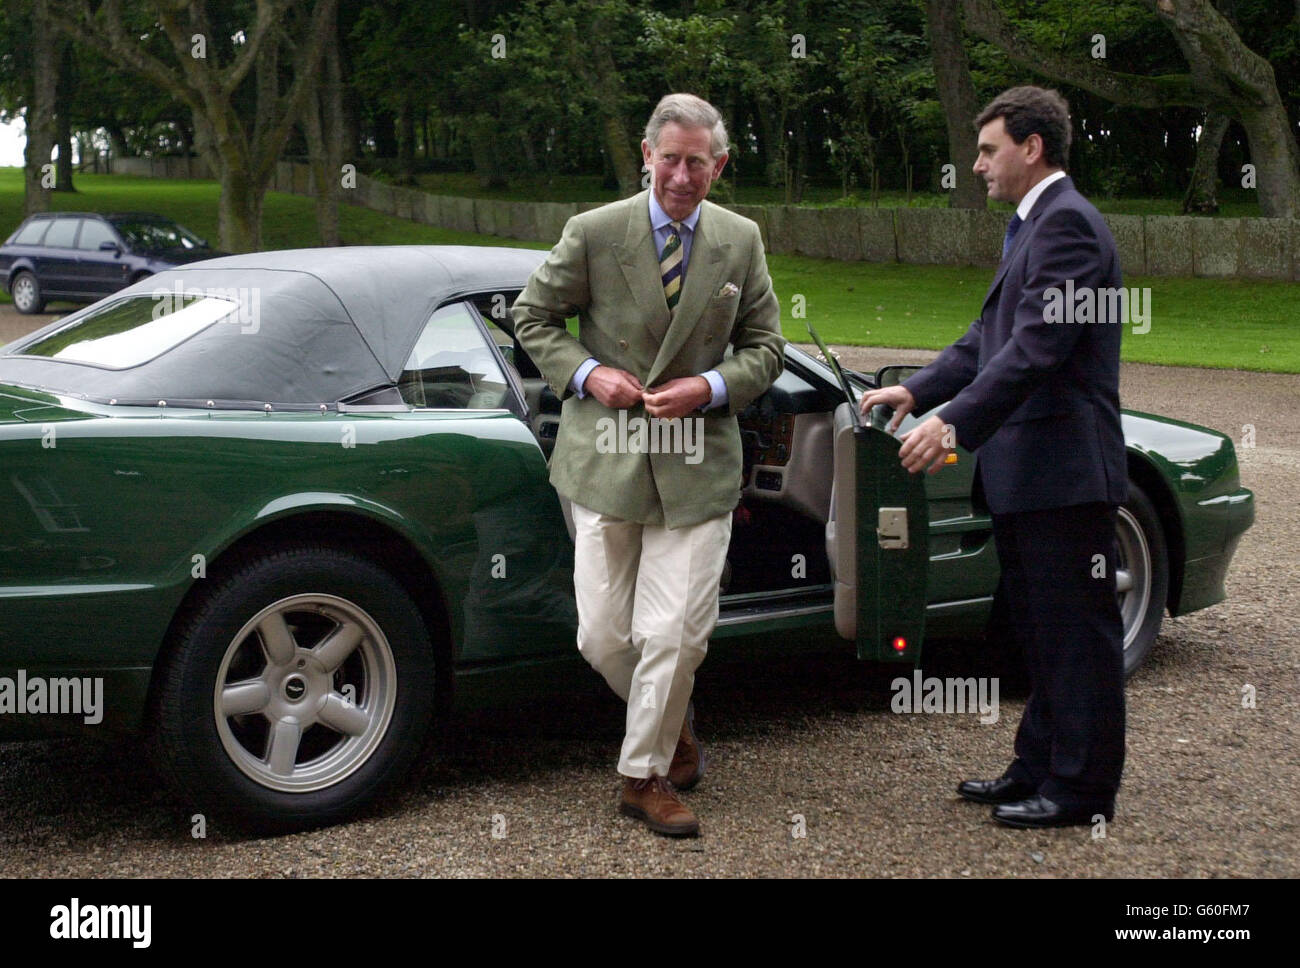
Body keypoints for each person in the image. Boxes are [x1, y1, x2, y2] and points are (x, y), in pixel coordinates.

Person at [513, 93, 784, 837]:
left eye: (699, 162)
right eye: (670, 159)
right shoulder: (596, 232)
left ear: (719, 165)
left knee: (676, 635)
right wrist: (589, 373)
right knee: (603, 636)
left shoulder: (741, 239)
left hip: (699, 462)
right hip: (608, 459)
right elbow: (531, 316)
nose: (682, 175)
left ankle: (644, 774)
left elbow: (766, 348)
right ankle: (672, 725)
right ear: (646, 155)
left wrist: (711, 386)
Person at [859, 86, 1127, 828]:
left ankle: (1081, 791)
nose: (976, 165)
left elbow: (1038, 349)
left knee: (1076, 637)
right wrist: (914, 391)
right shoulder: (1033, 226)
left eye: (987, 149)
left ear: (1032, 147)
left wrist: (950, 428)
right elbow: (988, 343)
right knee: (1039, 632)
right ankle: (1038, 767)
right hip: (1030, 475)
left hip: (1065, 474)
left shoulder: (1068, 224)